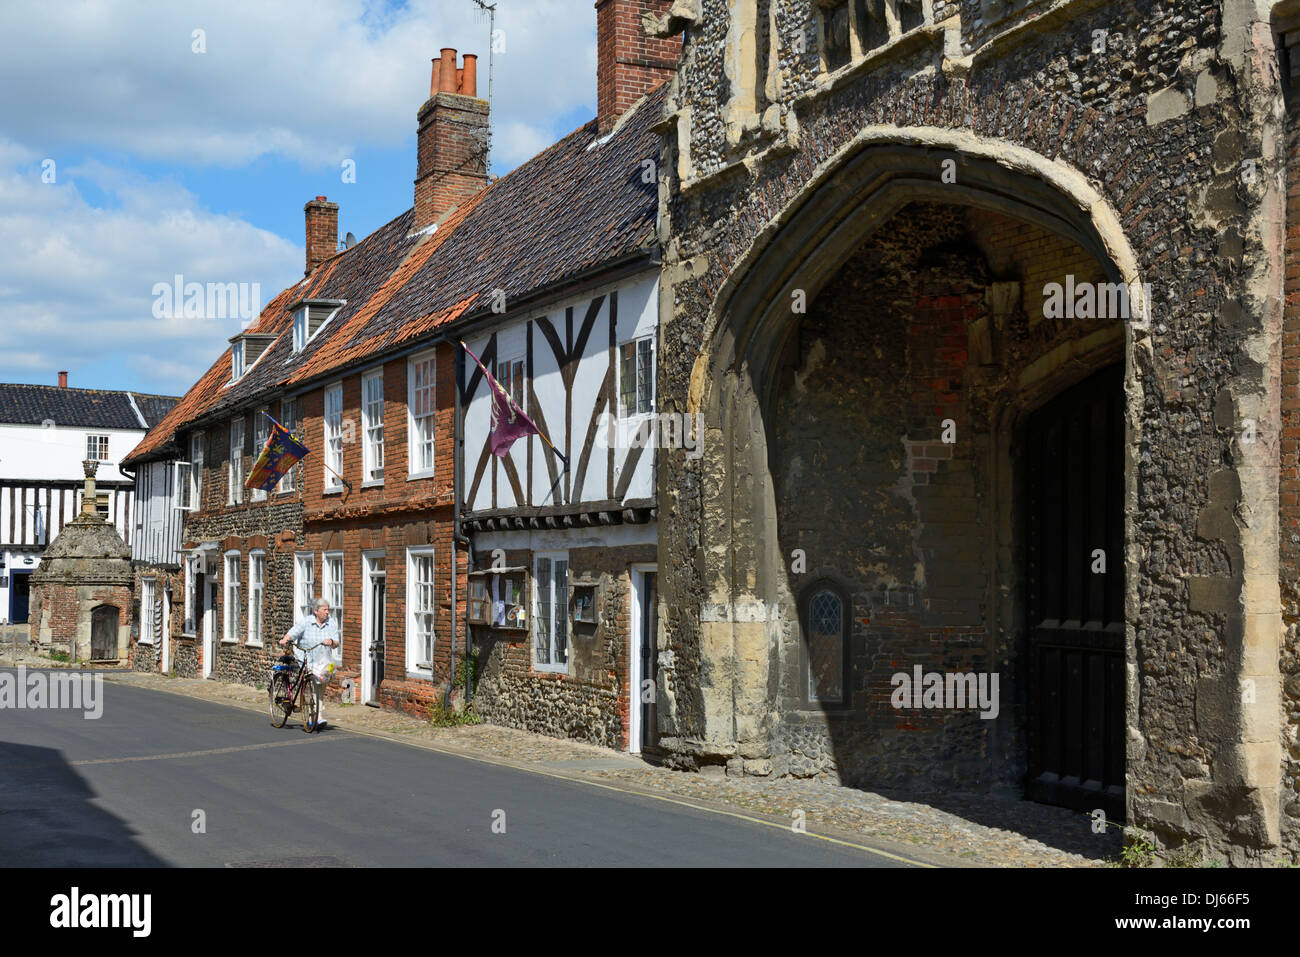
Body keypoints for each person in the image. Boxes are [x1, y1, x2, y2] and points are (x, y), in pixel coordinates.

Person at [280, 597, 340, 729]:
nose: (327, 612)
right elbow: (293, 632)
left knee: (321, 686)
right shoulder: (307, 622)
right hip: (306, 657)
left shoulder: (332, 623)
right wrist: (285, 639)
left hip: (323, 661)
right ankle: (318, 716)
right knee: (313, 684)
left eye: (328, 610)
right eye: (324, 610)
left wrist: (331, 642)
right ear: (316, 611)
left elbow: (337, 642)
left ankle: (313, 717)